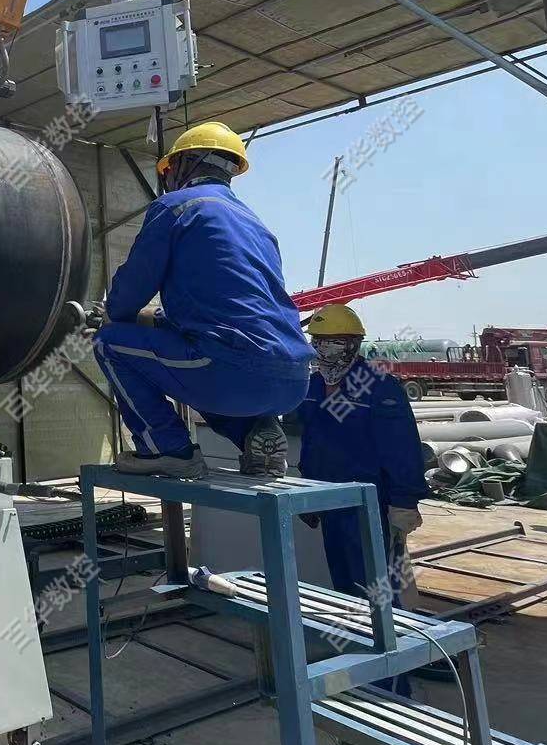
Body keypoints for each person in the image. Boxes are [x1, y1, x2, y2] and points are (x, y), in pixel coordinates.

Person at [93, 121, 315, 479]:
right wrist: (157, 319)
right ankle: (253, 434)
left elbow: (129, 294)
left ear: (186, 163)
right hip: (292, 380)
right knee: (202, 357)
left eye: (169, 169)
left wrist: (112, 313)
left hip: (230, 374)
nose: (168, 178)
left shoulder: (176, 207)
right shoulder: (255, 223)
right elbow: (232, 309)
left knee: (110, 344)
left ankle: (166, 449)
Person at [296, 303, 429, 694]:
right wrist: (309, 493)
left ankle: (392, 685)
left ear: (353, 344)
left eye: (334, 342)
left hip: (371, 507)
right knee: (346, 590)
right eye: (319, 342)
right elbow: (314, 443)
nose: (325, 349)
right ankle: (361, 668)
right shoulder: (312, 386)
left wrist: (405, 500)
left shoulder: (377, 386)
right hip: (331, 502)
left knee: (379, 593)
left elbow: (401, 447)